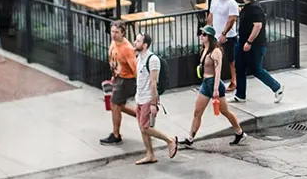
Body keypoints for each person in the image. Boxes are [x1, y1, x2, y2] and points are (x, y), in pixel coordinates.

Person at [181, 25, 247, 147]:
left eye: (204, 34)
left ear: (210, 37)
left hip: (214, 83)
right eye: (201, 33)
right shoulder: (204, 48)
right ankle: (190, 138)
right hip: (205, 83)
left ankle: (239, 132)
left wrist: (216, 89)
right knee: (197, 112)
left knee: (224, 111)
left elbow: (218, 71)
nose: (201, 36)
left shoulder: (216, 51)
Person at [233, 0, 284, 104]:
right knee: (239, 67)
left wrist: (249, 42)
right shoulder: (247, 6)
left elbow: (258, 26)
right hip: (242, 42)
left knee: (256, 69)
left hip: (254, 45)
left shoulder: (255, 8)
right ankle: (240, 95)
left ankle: (277, 88)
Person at [133, 32, 178, 164]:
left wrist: (153, 104)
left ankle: (170, 140)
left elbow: (154, 83)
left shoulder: (153, 60)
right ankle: (150, 154)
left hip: (148, 99)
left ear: (145, 45)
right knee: (143, 128)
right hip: (139, 98)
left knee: (145, 127)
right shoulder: (139, 58)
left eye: (138, 41)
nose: (135, 42)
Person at [101, 21, 137, 145]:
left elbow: (135, 69)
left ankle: (116, 135)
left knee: (115, 105)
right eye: (112, 31)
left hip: (125, 80)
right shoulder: (114, 42)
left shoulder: (127, 49)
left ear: (123, 32)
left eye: (116, 32)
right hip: (117, 77)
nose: (114, 34)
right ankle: (142, 116)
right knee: (119, 106)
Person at [206, 0, 239, 92]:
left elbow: (232, 19)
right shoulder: (214, 0)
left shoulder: (232, 3)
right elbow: (211, 15)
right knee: (214, 58)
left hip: (228, 36)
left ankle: (234, 81)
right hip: (215, 35)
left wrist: (224, 33)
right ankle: (214, 81)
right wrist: (208, 31)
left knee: (231, 60)